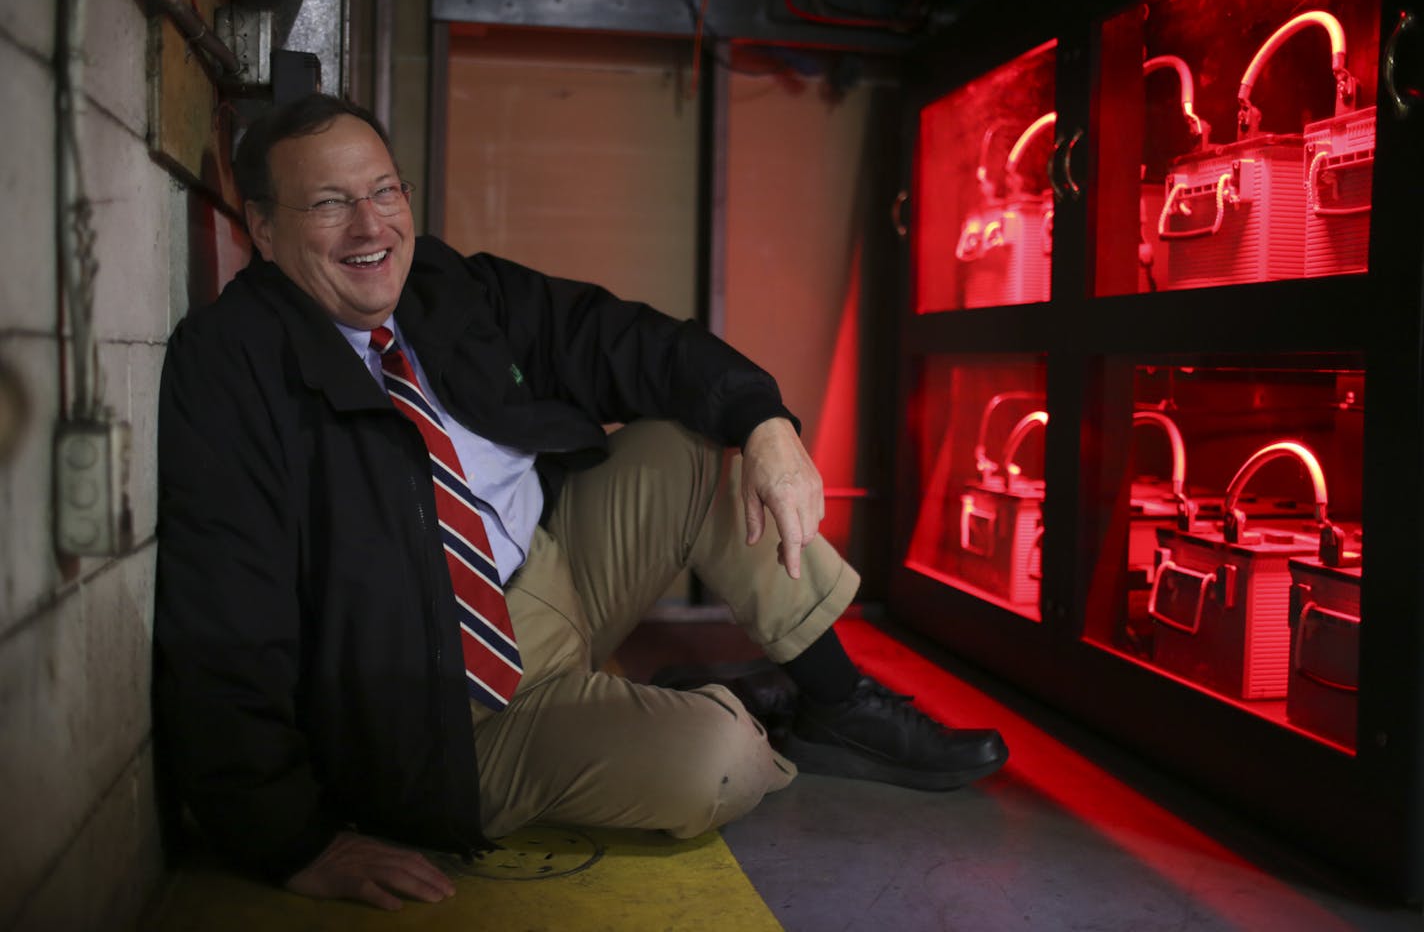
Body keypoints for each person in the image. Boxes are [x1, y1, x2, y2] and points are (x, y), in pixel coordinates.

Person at [154, 93, 1008, 912]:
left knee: (699, 444)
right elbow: (226, 610)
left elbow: (619, 337)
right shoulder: (232, 366)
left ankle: (833, 700)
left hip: (557, 579)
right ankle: (739, 713)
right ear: (261, 229)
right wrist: (290, 839)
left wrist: (768, 422)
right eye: (330, 204)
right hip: (447, 713)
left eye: (384, 192)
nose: (372, 226)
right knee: (717, 765)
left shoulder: (445, 287)